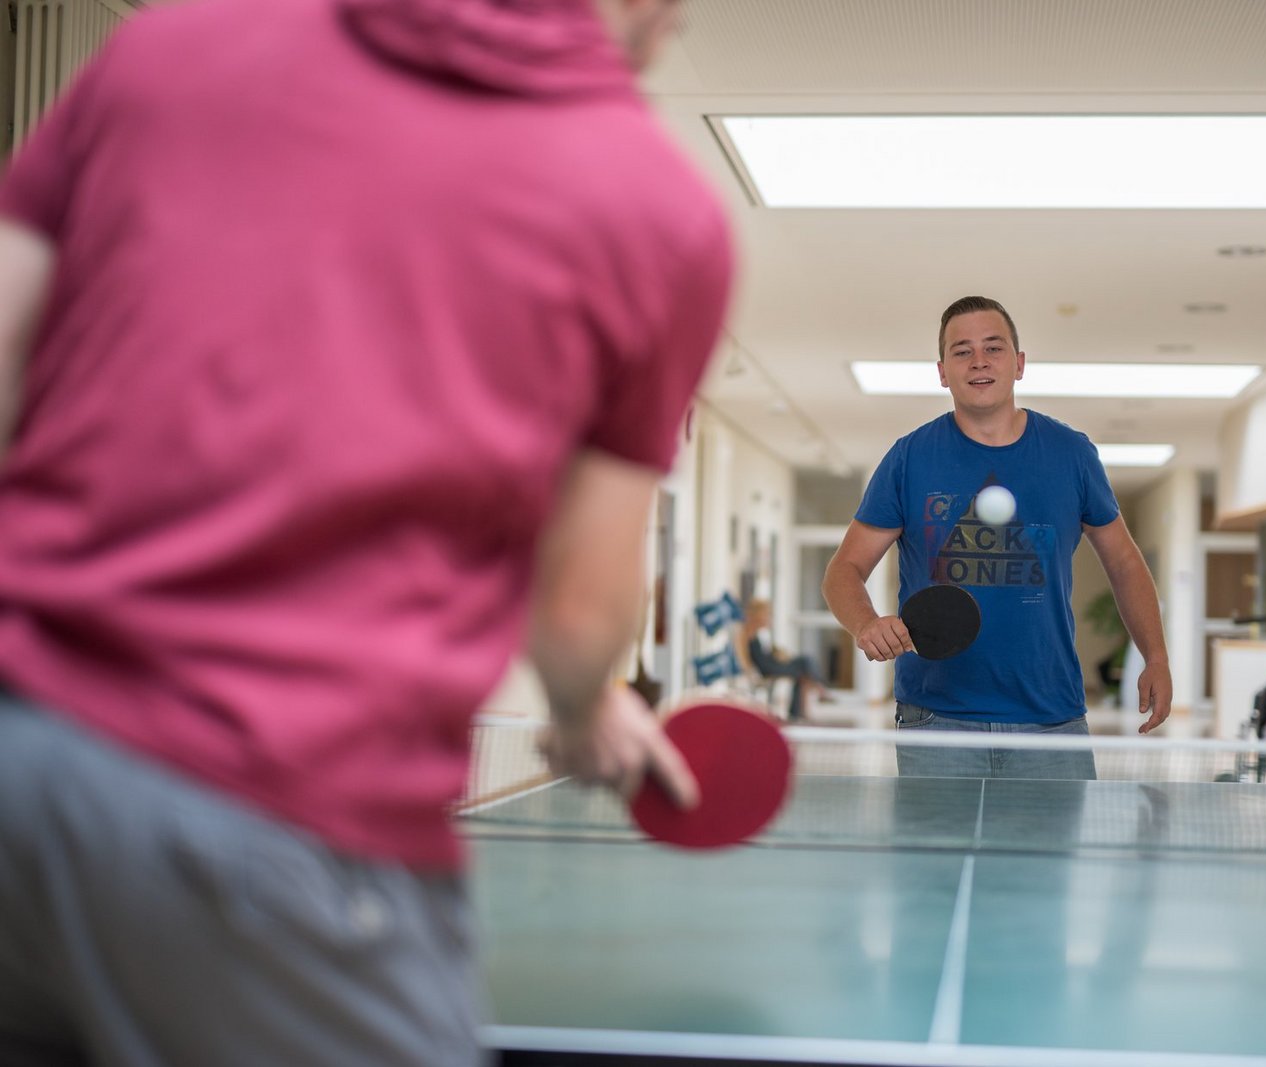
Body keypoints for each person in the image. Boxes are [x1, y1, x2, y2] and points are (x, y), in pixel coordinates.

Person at [0, 1, 726, 1064]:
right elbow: (575, 613)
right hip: (279, 823)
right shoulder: (657, 210)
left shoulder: (172, 41)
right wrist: (580, 708)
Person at [822, 295, 1172, 779]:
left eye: (994, 347)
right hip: (936, 720)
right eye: (962, 350)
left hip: (1051, 718)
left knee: (1050, 860)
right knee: (937, 860)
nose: (979, 360)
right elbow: (845, 569)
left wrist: (1155, 655)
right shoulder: (909, 458)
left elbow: (1125, 563)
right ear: (943, 371)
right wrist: (864, 624)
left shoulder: (1072, 454)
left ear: (1019, 363)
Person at [740, 598, 833, 722]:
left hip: (769, 663)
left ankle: (798, 711)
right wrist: (749, 673)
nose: (768, 617)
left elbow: (764, 652)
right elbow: (745, 657)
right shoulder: (748, 632)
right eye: (766, 614)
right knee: (804, 662)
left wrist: (777, 653)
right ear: (758, 614)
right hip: (766, 667)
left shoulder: (757, 632)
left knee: (802, 670)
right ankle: (819, 689)